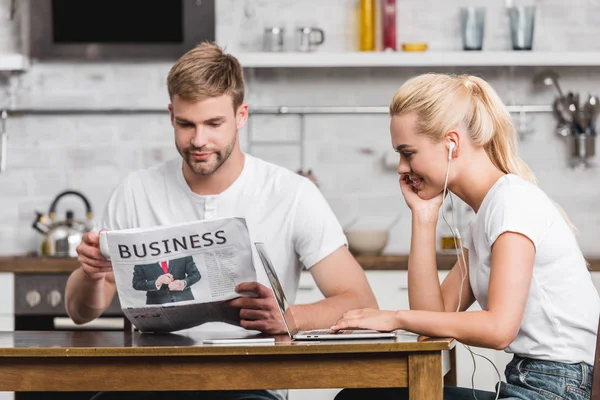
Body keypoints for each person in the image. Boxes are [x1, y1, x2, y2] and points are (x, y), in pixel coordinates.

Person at [64, 42, 378, 400]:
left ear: (241, 115)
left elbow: (359, 301)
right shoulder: (135, 191)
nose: (199, 140)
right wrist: (92, 274)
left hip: (251, 385)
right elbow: (79, 312)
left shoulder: (291, 194)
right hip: (152, 384)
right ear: (171, 115)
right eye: (186, 124)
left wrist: (289, 318)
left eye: (214, 124)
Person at [332, 73, 600, 400]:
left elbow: (500, 329)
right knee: (358, 398)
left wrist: (394, 317)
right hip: (532, 382)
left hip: (556, 388)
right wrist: (423, 217)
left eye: (408, 152)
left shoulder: (511, 202)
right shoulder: (489, 213)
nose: (402, 167)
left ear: (452, 144)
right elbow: (435, 316)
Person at [132, 256, 201, 305]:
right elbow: (136, 283)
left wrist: (184, 283)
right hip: (156, 304)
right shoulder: (141, 259)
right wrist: (156, 283)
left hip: (185, 301)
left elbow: (196, 274)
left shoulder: (182, 253)